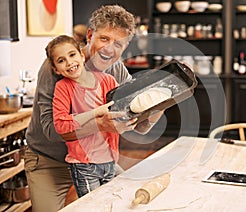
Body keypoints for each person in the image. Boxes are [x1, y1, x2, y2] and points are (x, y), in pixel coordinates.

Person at [25, 5, 162, 212]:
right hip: (49, 161)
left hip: (95, 162)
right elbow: (52, 132)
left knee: (127, 204)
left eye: (118, 44)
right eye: (104, 39)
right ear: (89, 35)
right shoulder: (58, 66)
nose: (109, 49)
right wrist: (99, 125)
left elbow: (139, 126)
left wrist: (159, 105)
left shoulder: (116, 72)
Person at [47, 35, 121, 197]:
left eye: (72, 55)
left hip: (109, 159)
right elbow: (60, 124)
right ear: (56, 69)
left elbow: (123, 107)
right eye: (61, 60)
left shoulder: (108, 81)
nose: (69, 63)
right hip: (84, 165)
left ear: (81, 55)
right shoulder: (63, 87)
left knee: (111, 203)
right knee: (93, 206)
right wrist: (95, 112)